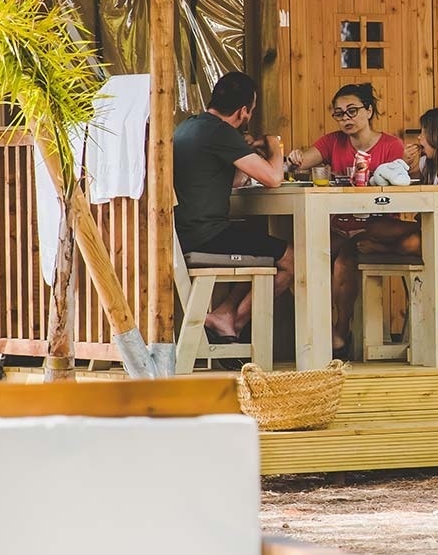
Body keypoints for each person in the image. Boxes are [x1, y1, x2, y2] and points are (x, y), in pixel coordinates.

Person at [173, 71, 295, 342]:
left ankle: (225, 314)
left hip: (184, 231)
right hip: (205, 234)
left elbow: (236, 180)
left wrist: (247, 151)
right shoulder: (221, 132)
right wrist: (275, 145)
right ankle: (234, 322)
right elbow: (274, 179)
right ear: (243, 111)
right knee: (292, 259)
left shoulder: (188, 126)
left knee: (260, 249)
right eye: (250, 112)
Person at [286, 82, 404, 357]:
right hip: (338, 226)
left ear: (369, 110)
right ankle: (322, 329)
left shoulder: (390, 145)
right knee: (297, 257)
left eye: (352, 111)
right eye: (339, 114)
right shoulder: (332, 142)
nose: (346, 119)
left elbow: (400, 187)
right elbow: (302, 162)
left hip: (376, 227)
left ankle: (340, 333)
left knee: (343, 262)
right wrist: (293, 158)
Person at [357, 106, 438, 257]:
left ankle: (385, 249)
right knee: (375, 227)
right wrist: (403, 162)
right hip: (433, 226)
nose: (419, 138)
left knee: (411, 243)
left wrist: (420, 228)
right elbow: (399, 178)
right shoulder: (428, 164)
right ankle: (403, 241)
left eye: (424, 132)